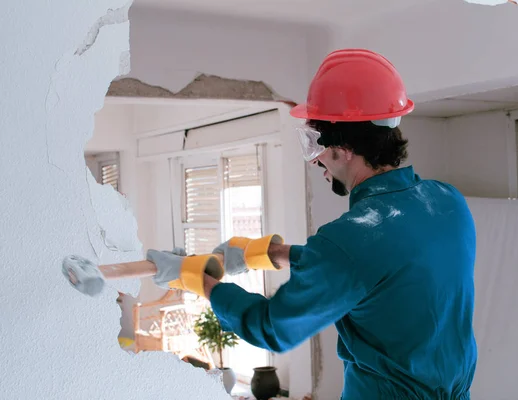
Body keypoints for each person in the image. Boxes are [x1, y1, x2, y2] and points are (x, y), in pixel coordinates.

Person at [147, 49, 477, 399]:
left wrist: (200, 279)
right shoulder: (447, 201)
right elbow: (374, 268)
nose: (316, 159)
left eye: (315, 142)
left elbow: (272, 328)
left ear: (345, 145)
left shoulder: (351, 240)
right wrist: (265, 253)